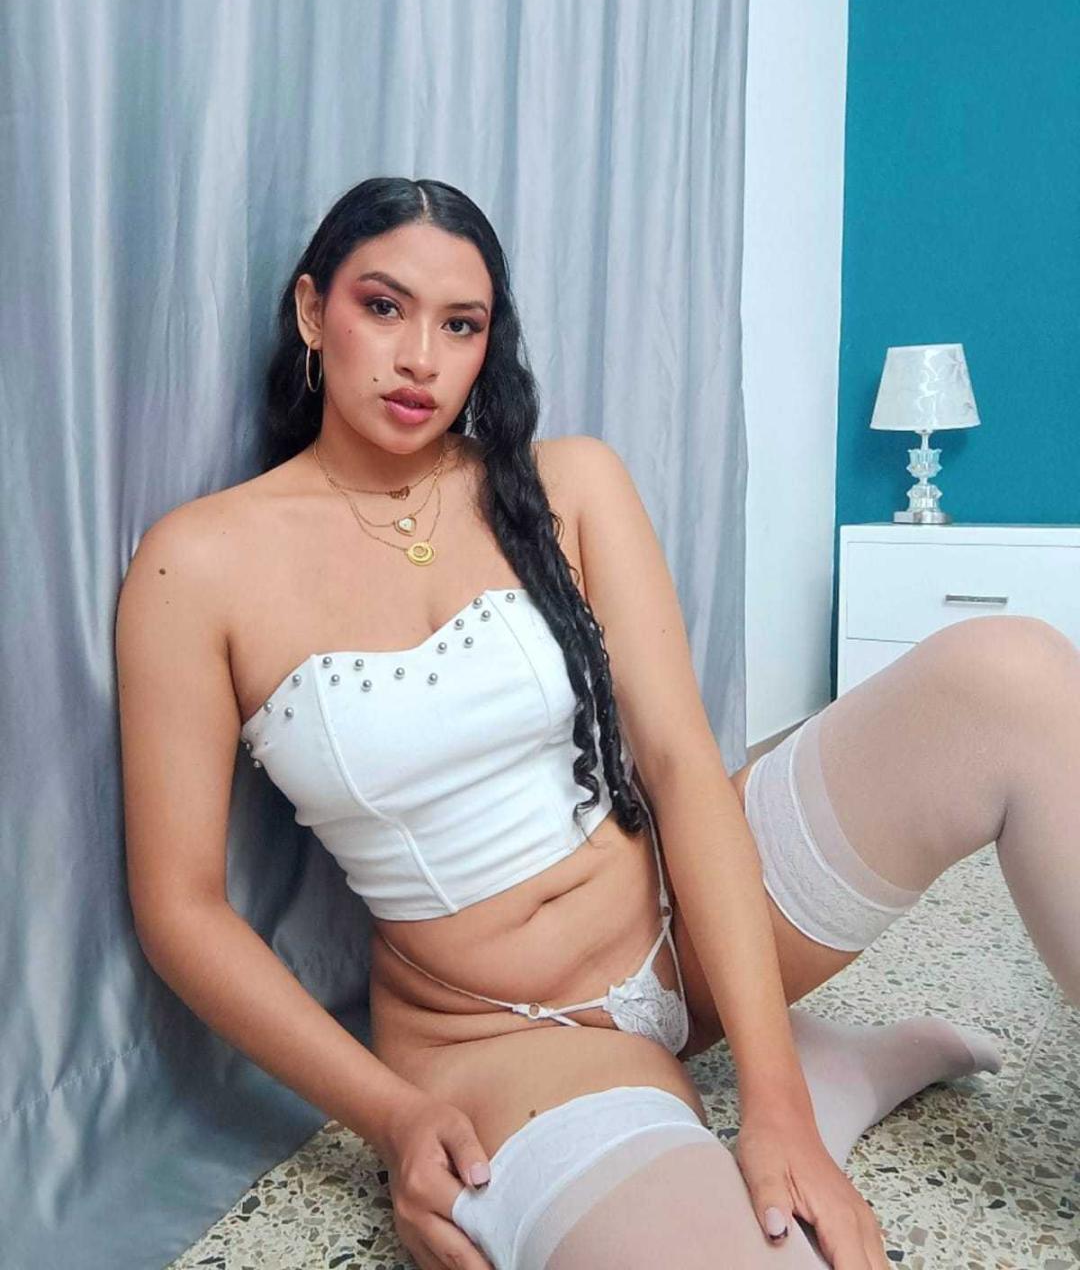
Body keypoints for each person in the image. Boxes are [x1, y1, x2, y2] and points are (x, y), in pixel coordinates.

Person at [116, 176, 1079, 1270]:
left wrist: (773, 1109)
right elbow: (182, 909)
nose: (420, 358)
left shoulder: (566, 484)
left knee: (1016, 675)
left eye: (461, 324)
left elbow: (678, 764)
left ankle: (802, 1075)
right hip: (505, 1034)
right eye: (383, 308)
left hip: (687, 920)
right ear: (310, 310)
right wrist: (391, 1116)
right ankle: (828, 1075)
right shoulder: (196, 566)